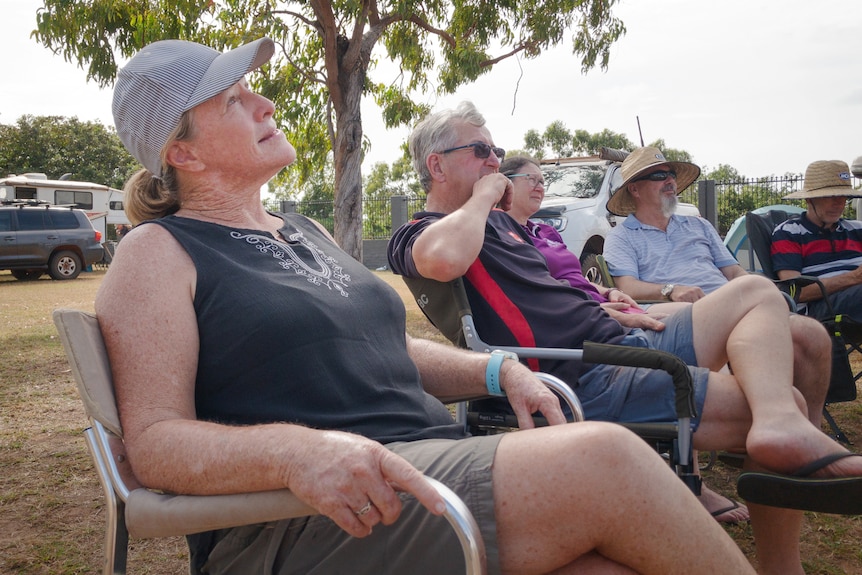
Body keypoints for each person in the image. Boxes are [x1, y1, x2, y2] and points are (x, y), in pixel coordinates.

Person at [94, 38, 755, 575]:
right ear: (181, 151)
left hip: (425, 473)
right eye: (235, 99)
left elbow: (385, 347)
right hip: (306, 519)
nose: (265, 103)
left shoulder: (306, 231)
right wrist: (298, 452)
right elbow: (152, 444)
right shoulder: (157, 251)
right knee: (606, 461)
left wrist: (496, 371)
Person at [387, 101, 862, 575]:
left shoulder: (498, 225)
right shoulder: (416, 233)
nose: (495, 160)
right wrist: (482, 199)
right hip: (586, 370)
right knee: (795, 400)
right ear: (437, 165)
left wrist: (607, 304)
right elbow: (444, 260)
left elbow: (552, 292)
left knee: (757, 292)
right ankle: (784, 548)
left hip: (618, 335)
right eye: (481, 150)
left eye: (497, 150)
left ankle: (780, 426)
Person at [501, 154, 747, 525]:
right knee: (712, 313)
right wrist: (612, 307)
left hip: (611, 314)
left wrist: (606, 293)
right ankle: (695, 473)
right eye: (529, 178)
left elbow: (575, 283)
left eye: (541, 178)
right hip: (597, 341)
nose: (540, 185)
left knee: (756, 305)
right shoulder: (508, 241)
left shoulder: (544, 232)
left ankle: (726, 453)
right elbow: (552, 297)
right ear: (504, 185)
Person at [602, 146, 832, 433]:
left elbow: (734, 272)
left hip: (732, 307)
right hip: (682, 317)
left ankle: (807, 439)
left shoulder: (698, 225)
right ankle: (766, 432)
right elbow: (628, 287)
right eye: (660, 176)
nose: (670, 181)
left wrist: (759, 295)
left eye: (671, 174)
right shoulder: (622, 236)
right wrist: (671, 290)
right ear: (634, 189)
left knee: (811, 334)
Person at [772, 159, 862, 322]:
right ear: (809, 199)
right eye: (830, 196)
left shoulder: (858, 229)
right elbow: (793, 294)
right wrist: (853, 278)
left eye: (843, 196)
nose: (839, 203)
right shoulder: (789, 232)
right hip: (820, 308)